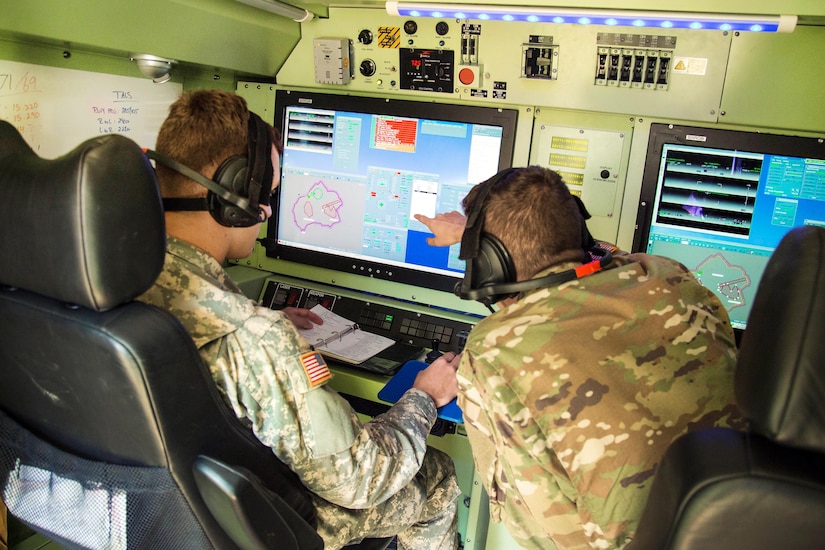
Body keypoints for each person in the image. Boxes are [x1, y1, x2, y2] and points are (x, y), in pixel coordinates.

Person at [138, 89, 462, 549]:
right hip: (267, 518)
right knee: (436, 475)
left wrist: (261, 319)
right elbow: (363, 479)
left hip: (167, 508)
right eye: (266, 196)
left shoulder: (121, 273)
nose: (267, 212)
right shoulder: (255, 337)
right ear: (235, 196)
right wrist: (424, 397)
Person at [415, 165, 744, 549]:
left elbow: (526, 521)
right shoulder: (669, 277)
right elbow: (602, 256)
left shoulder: (492, 350)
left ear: (489, 262)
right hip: (749, 520)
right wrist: (481, 234)